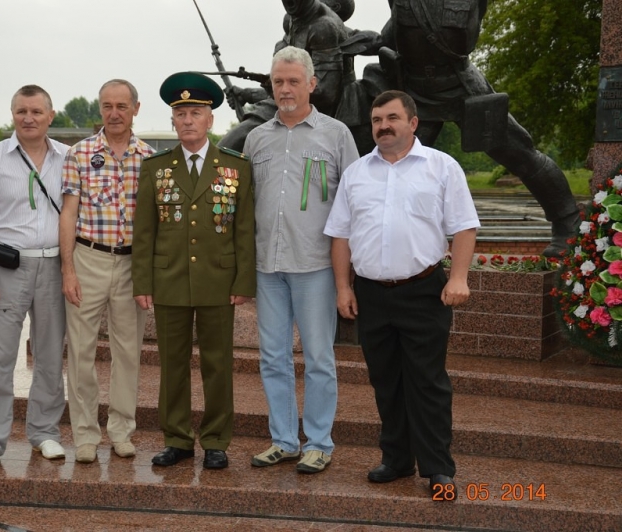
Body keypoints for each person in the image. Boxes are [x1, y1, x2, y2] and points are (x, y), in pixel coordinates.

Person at [324, 90, 480, 500]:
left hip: (424, 291)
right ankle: (396, 459)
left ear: (412, 123)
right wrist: (344, 287)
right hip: (372, 294)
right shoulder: (358, 173)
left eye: (392, 118)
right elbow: (340, 234)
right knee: (386, 381)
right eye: (377, 120)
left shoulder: (441, 167)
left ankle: (438, 468)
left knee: (426, 382)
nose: (383, 126)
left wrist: (458, 277)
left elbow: (464, 226)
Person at [355, 0, 577, 256]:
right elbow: (389, 38)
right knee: (394, 168)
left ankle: (568, 224)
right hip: (416, 93)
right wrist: (350, 41)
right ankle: (382, 240)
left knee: (520, 153)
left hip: (462, 86)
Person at [243, 46, 359, 474]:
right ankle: (284, 440)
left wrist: (347, 275)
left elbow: (353, 203)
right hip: (266, 268)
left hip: (316, 267)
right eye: (278, 82)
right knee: (272, 357)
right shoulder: (257, 138)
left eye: (294, 81)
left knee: (318, 358)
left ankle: (320, 442)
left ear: (312, 83)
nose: (286, 89)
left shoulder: (336, 134)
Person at [132, 72, 256, 470]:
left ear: (210, 120)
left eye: (196, 113)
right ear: (173, 121)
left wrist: (243, 281)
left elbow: (244, 229)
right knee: (172, 365)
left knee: (219, 365)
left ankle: (217, 441)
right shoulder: (156, 167)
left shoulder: (236, 167)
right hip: (169, 281)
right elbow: (145, 231)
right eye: (181, 113)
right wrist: (143, 282)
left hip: (219, 281)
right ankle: (178, 439)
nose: (187, 120)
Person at [0, 85, 69, 471]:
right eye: (21, 111)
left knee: (51, 355)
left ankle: (45, 433)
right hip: (7, 269)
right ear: (12, 114)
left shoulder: (67, 158)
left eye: (37, 111)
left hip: (54, 267)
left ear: (50, 115)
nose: (29, 118)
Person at [60, 79, 154, 464]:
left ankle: (121, 430)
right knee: (81, 350)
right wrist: (68, 269)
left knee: (128, 352)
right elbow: (68, 213)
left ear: (135, 108)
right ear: (100, 110)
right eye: (106, 106)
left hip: (133, 264)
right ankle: (84, 433)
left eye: (121, 106)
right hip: (89, 259)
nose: (113, 113)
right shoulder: (80, 154)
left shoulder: (150, 158)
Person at [220, 0, 356, 151]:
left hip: (312, 112)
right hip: (291, 105)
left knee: (231, 143)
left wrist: (272, 89)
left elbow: (326, 94)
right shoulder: (293, 18)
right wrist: (247, 94)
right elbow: (288, 84)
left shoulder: (323, 27)